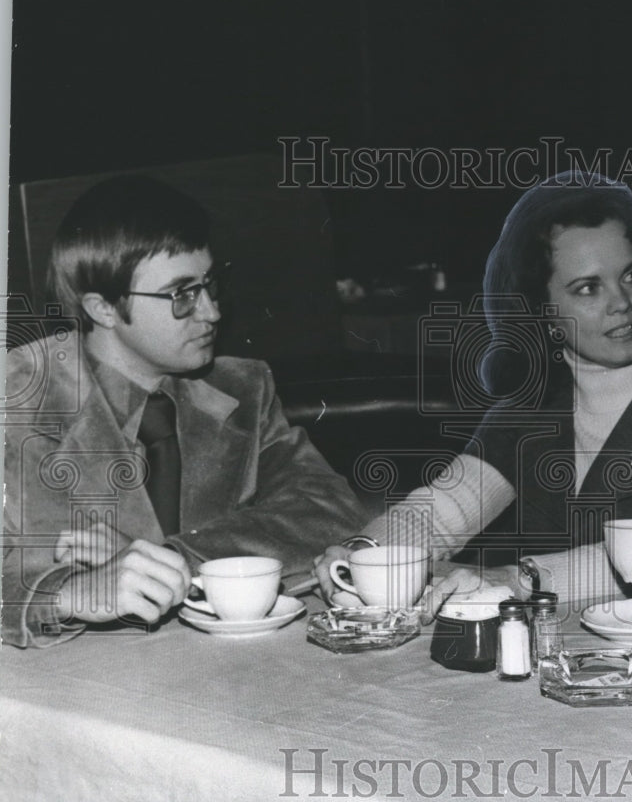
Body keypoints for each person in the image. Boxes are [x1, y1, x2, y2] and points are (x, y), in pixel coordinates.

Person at [314, 172, 632, 607]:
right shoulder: (530, 406)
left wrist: (514, 579)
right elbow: (445, 509)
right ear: (543, 312)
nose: (621, 302)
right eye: (588, 287)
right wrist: (365, 551)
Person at [3, 175, 367, 647]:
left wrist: (174, 557)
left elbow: (329, 510)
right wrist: (69, 595)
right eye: (181, 294)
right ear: (103, 308)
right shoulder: (17, 398)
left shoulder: (241, 387)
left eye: (210, 284)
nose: (212, 312)